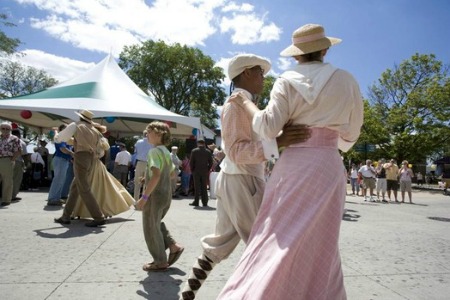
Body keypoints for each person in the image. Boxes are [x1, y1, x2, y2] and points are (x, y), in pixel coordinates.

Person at [217, 24, 363, 300]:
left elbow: (268, 127)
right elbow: (351, 135)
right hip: (328, 165)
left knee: (277, 236)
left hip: (294, 164)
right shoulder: (347, 80)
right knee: (323, 241)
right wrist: (330, 141)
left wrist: (247, 105)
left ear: (296, 55)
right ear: (325, 48)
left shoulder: (287, 80)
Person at [180, 53, 311, 300]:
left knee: (219, 245)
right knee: (263, 249)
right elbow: (236, 151)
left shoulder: (244, 104)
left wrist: (278, 136)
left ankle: (187, 293)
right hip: (243, 181)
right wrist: (279, 142)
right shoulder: (235, 104)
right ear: (246, 73)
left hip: (238, 180)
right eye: (260, 72)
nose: (263, 77)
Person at [135, 121, 184, 271]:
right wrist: (148, 178)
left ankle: (160, 261)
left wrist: (144, 198)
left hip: (154, 196)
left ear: (158, 134)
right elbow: (172, 174)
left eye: (149, 132)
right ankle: (173, 246)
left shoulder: (154, 152)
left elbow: (156, 174)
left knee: (150, 227)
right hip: (166, 194)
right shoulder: (166, 152)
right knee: (156, 223)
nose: (146, 135)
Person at [53, 109, 106, 227]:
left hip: (81, 156)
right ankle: (65, 216)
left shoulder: (76, 125)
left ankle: (98, 216)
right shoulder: (94, 130)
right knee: (75, 187)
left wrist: (56, 133)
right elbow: (96, 147)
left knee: (83, 188)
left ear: (80, 117)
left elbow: (60, 139)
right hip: (91, 158)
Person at [72, 123, 134, 218]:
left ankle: (84, 211)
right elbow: (102, 153)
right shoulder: (100, 140)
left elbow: (100, 153)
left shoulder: (93, 139)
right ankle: (97, 211)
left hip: (92, 164)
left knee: (88, 187)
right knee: (101, 188)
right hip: (96, 165)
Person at [47, 124, 75, 206]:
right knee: (58, 180)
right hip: (60, 160)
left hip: (64, 160)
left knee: (60, 180)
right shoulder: (60, 138)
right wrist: (73, 154)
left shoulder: (64, 138)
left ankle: (56, 198)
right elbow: (63, 149)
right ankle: (53, 198)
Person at [0, 122, 21, 206]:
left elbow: (18, 151)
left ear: (11, 130)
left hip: (6, 159)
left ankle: (6, 199)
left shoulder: (14, 138)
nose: (5, 130)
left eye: (7, 129)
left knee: (7, 180)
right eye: (3, 128)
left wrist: (12, 160)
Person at [189, 139, 213, 207]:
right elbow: (211, 162)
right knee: (204, 187)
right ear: (204, 143)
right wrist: (207, 169)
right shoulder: (208, 152)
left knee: (196, 187)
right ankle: (205, 202)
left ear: (198, 143)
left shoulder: (194, 151)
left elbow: (191, 162)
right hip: (204, 171)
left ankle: (196, 202)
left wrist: (192, 170)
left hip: (196, 171)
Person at [133, 130, 153, 201]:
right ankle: (144, 200)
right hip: (148, 164)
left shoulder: (138, 142)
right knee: (146, 183)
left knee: (137, 183)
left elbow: (136, 151)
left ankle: (135, 200)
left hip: (140, 163)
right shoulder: (152, 143)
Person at [11, 128, 29, 202]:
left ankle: (5, 194)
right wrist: (27, 164)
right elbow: (25, 155)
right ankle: (12, 195)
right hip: (18, 161)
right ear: (19, 134)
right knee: (16, 179)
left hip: (7, 162)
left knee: (7, 179)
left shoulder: (6, 140)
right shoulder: (21, 142)